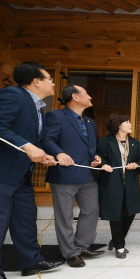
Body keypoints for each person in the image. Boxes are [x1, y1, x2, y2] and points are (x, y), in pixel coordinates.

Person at [0, 62, 63, 279]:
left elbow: (34, 139)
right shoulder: (10, 95)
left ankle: (31, 260)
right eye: (49, 78)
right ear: (36, 81)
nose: (53, 82)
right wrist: (28, 146)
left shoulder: (38, 107)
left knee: (25, 218)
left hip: (22, 172)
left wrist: (44, 154)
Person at [43, 84, 103, 268]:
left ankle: (82, 246)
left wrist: (96, 157)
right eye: (86, 93)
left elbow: (92, 146)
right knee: (65, 215)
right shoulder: (56, 116)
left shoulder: (90, 122)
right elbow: (47, 139)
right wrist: (59, 154)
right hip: (64, 174)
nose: (90, 96)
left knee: (92, 210)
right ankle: (69, 252)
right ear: (75, 97)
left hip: (88, 175)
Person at [97, 113, 140, 259]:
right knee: (116, 214)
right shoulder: (105, 142)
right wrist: (104, 164)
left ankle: (116, 240)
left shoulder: (135, 142)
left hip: (130, 183)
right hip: (112, 183)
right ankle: (119, 246)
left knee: (131, 212)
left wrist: (136, 165)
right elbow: (100, 157)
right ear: (118, 125)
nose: (130, 124)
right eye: (127, 122)